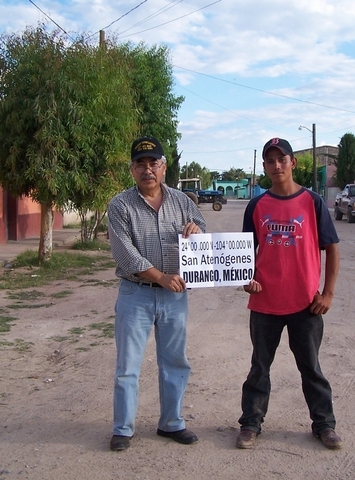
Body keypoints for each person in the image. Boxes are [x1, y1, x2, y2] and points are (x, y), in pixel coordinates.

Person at [236, 137, 342, 450]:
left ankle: (324, 426)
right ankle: (250, 424)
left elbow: (332, 248)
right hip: (265, 304)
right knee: (259, 368)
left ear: (292, 163)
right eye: (270, 161)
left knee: (311, 369)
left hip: (305, 305)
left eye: (282, 159)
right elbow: (244, 252)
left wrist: (328, 293)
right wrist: (247, 278)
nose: (277, 165)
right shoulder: (257, 205)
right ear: (265, 166)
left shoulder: (312, 202)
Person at [107, 136, 206, 452]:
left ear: (164, 167)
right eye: (141, 163)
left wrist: (197, 232)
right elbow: (126, 255)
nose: (147, 169)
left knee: (175, 361)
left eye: (154, 163)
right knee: (128, 365)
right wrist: (160, 277)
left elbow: (202, 232)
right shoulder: (120, 205)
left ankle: (172, 423)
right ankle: (123, 428)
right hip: (135, 293)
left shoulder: (183, 202)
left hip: (174, 296)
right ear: (132, 169)